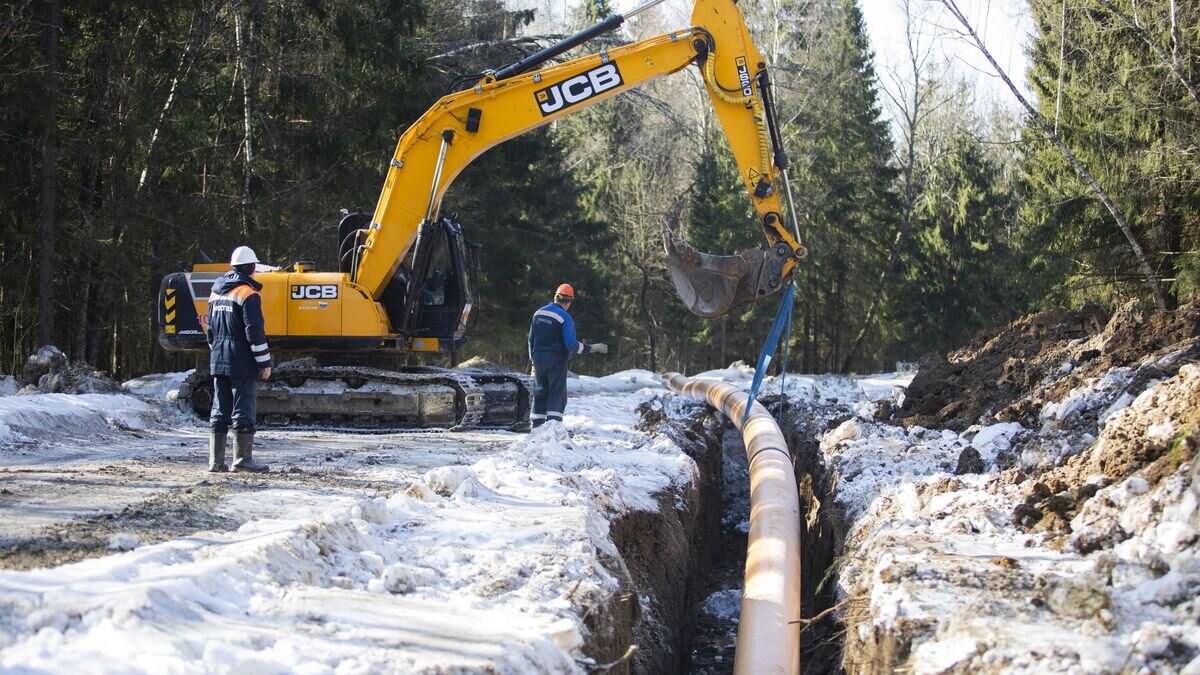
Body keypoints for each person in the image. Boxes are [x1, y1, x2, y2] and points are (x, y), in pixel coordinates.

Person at [206, 246, 272, 472]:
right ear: (252, 267)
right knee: (243, 409)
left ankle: (216, 462)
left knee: (219, 409)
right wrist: (264, 363)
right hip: (242, 360)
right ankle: (242, 460)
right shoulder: (248, 293)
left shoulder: (216, 292)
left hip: (218, 358)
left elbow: (210, 330)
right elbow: (254, 331)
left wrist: (217, 352)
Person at [527, 283, 607, 428]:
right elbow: (570, 344)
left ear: (555, 297)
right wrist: (591, 348)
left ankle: (536, 428)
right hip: (556, 360)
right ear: (569, 301)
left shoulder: (538, 313)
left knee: (539, 391)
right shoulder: (565, 317)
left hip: (538, 359)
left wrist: (533, 359)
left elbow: (531, 339)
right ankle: (553, 428)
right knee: (556, 393)